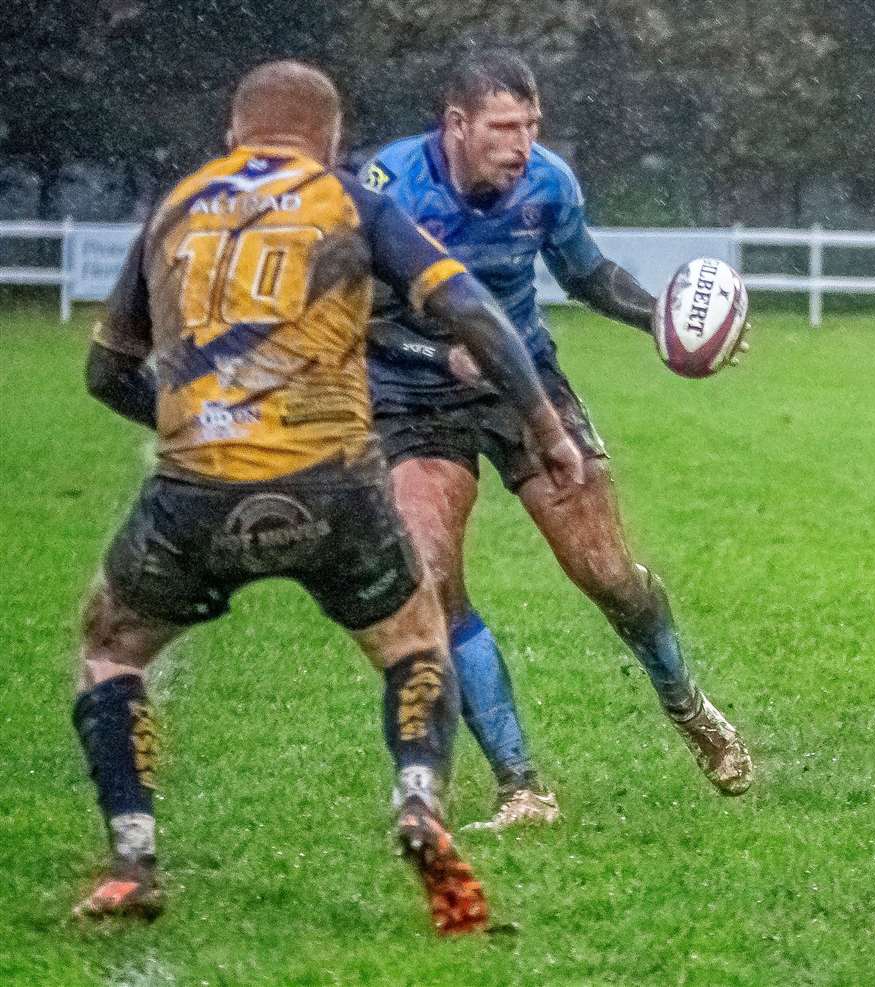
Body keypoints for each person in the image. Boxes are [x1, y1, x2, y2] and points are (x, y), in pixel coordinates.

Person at [71, 61, 585, 934]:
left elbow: (105, 370)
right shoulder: (349, 199)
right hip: (334, 481)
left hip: (196, 490)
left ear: (236, 134)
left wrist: (196, 419)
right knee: (415, 637)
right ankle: (422, 803)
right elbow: (473, 310)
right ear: (332, 139)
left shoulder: (178, 205)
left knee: (110, 647)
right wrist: (545, 423)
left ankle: (133, 856)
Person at [358, 49, 751, 830]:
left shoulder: (547, 183)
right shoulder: (387, 187)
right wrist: (442, 353)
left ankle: (689, 705)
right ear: (458, 124)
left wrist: (663, 323)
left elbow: (586, 274)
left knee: (606, 571)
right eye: (506, 128)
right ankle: (522, 785)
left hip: (524, 383)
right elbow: (351, 312)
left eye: (533, 126)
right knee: (431, 582)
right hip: (411, 399)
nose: (523, 144)